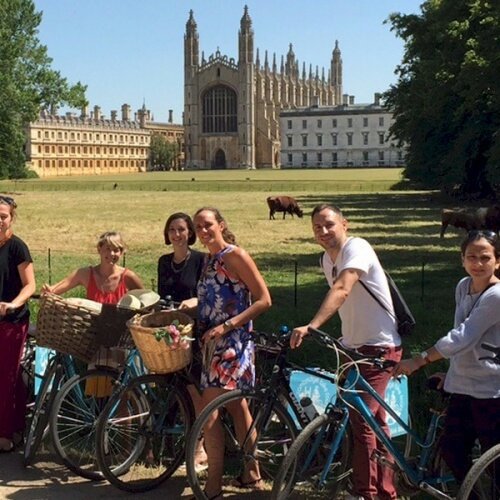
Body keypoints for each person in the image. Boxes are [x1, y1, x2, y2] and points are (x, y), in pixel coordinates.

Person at [291, 203, 402, 500]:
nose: (324, 231)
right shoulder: (326, 260)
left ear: (345, 224)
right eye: (317, 227)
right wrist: (343, 340)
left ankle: (366, 492)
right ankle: (385, 490)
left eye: (329, 224)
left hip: (379, 349)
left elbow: (342, 289)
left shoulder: (358, 248)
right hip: (353, 348)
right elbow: (348, 305)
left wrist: (312, 326)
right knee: (375, 424)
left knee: (361, 422)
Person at [395, 230, 500, 485]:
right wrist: (450, 373)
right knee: (453, 453)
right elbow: (460, 337)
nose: (477, 263)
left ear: (497, 261)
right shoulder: (463, 287)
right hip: (462, 387)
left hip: (490, 391)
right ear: (462, 259)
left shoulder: (496, 296)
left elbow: (463, 337)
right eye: (471, 256)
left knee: (495, 465)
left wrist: (419, 360)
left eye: (485, 257)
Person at [193, 207, 272, 500]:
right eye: (198, 226)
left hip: (232, 345)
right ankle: (252, 474)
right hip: (212, 344)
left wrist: (227, 326)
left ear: (221, 225)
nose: (202, 230)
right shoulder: (208, 260)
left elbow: (264, 299)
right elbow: (212, 299)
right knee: (238, 408)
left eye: (207, 224)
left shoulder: (234, 255)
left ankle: (213, 483)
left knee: (208, 412)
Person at [42, 231, 143, 373]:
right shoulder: (85, 274)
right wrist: (48, 290)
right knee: (96, 385)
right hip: (94, 340)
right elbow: (56, 289)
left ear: (122, 252)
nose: (112, 253)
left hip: (121, 341)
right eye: (108, 248)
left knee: (123, 387)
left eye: (117, 250)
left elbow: (146, 302)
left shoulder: (128, 277)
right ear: (99, 249)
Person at [157, 212, 206, 466]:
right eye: (172, 230)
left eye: (182, 230)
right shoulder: (164, 262)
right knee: (171, 388)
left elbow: (206, 295)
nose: (177, 235)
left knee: (194, 390)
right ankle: (168, 444)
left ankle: (199, 446)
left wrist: (193, 302)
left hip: (193, 331)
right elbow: (161, 296)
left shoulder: (200, 260)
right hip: (170, 331)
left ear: (190, 234)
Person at [0, 195, 36, 452]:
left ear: (12, 218)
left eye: (3, 216)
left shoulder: (17, 248)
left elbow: (30, 285)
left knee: (6, 377)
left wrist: (13, 304)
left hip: (11, 321)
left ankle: (7, 433)